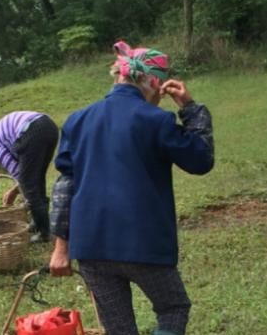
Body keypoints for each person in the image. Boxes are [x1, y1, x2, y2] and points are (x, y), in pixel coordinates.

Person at [48, 41, 214, 335]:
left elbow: (64, 187)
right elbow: (200, 160)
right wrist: (190, 108)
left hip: (91, 246)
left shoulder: (77, 121)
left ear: (118, 75)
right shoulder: (156, 121)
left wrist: (61, 248)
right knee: (173, 308)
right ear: (153, 82)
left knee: (118, 329)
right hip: (143, 243)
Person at [0, 111, 58, 242]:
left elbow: (19, 174)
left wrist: (14, 192)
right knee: (37, 177)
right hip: (49, 126)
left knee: (29, 186)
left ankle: (44, 233)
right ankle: (38, 222)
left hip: (32, 130)